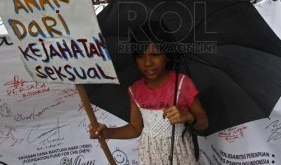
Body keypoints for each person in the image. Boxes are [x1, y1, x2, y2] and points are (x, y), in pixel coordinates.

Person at [89, 24, 208, 165]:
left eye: (155, 54)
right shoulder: (135, 90)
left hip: (181, 157)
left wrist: (188, 117)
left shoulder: (183, 84)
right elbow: (135, 128)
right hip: (151, 158)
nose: (147, 63)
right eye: (140, 56)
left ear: (168, 56)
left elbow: (203, 123)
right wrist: (107, 133)